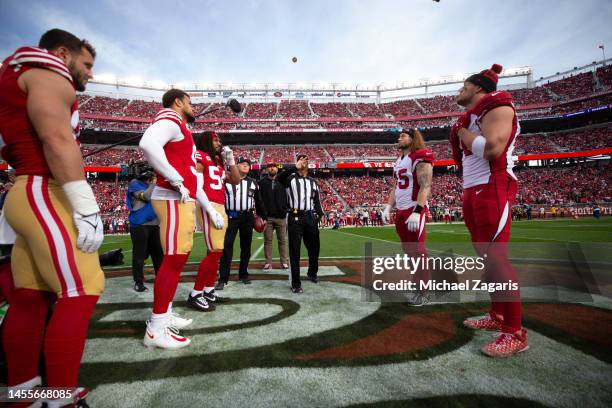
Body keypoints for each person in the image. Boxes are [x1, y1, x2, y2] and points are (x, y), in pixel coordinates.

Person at [0, 28, 103, 405]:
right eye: (87, 64)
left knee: (30, 296)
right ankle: (60, 397)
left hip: (24, 189)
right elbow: (57, 139)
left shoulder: (12, 72)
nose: (90, 74)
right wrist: (86, 205)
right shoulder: (45, 68)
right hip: (44, 188)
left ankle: (22, 393)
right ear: (63, 52)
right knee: (82, 288)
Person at [450, 63, 527, 357]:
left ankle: (515, 332)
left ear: (479, 88)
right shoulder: (472, 116)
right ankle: (497, 315)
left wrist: (465, 137)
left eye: (464, 85)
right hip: (474, 187)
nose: (459, 90)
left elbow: (493, 149)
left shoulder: (497, 106)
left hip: (493, 184)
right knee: (486, 258)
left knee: (496, 258)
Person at [139, 89, 225, 349]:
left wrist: (208, 209)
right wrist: (173, 178)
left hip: (180, 196)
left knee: (179, 256)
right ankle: (156, 327)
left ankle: (163, 314)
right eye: (189, 102)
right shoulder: (171, 119)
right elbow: (147, 144)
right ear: (178, 102)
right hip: (171, 196)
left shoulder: (182, 129)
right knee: (174, 258)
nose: (192, 106)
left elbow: (191, 176)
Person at [382, 128, 435, 306]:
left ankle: (424, 291)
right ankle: (418, 284)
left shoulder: (419, 155)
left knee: (419, 251)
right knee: (409, 251)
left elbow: (425, 185)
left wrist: (418, 210)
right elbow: (396, 186)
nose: (399, 138)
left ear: (413, 139)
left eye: (403, 136)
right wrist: (389, 206)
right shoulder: (399, 160)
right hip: (402, 210)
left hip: (414, 208)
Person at [187, 131, 239, 305]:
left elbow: (236, 180)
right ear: (206, 141)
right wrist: (210, 210)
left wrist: (230, 160)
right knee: (215, 250)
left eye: (219, 140)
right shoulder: (200, 155)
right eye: (215, 140)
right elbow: (197, 186)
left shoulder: (217, 161)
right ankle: (195, 293)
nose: (219, 143)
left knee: (216, 252)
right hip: (208, 204)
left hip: (220, 205)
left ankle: (209, 290)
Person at [277, 154, 324, 293]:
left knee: (314, 248)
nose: (304, 162)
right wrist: (293, 167)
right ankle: (295, 283)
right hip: (295, 216)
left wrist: (321, 214)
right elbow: (279, 178)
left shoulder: (313, 181)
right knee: (295, 251)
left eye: (306, 160)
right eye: (301, 160)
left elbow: (317, 200)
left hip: (310, 217)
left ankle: (312, 272)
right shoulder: (290, 178)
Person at [218, 157, 267, 286]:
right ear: (236, 165)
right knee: (226, 247)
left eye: (248, 164)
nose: (246, 166)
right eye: (243, 164)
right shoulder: (226, 181)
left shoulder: (253, 182)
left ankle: (243, 274)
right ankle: (223, 278)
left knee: (246, 247)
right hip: (231, 216)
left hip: (247, 217)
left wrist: (264, 217)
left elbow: (259, 201)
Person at [127, 170, 163, 292]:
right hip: (139, 223)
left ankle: (161, 278)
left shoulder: (152, 185)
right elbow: (147, 196)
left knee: (158, 254)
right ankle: (138, 281)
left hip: (154, 223)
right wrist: (153, 184)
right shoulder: (135, 183)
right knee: (139, 255)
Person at [259, 163, 289, 271]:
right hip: (268, 218)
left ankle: (284, 262)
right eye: (270, 167)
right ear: (267, 169)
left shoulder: (282, 181)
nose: (272, 168)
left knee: (282, 241)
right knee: (268, 241)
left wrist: (285, 209)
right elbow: (259, 200)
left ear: (277, 169)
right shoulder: (261, 183)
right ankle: (268, 262)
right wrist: (262, 215)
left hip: (281, 217)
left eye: (274, 166)